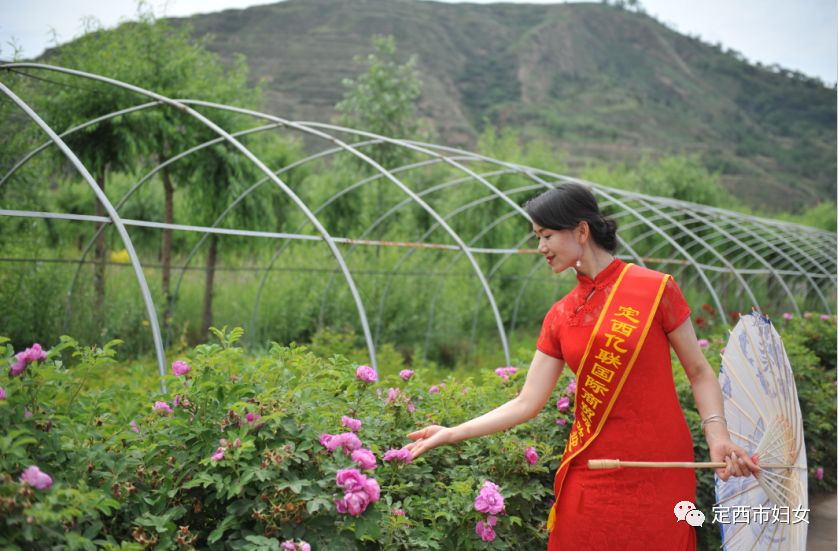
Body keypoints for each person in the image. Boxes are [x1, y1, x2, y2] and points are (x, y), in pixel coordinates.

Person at [405, 183, 759, 550]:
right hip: (591, 468)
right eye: (537, 237)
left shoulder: (655, 290)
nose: (540, 248)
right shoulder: (560, 315)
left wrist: (717, 437)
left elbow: (699, 373)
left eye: (546, 235)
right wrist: (451, 432)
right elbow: (526, 402)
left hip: (660, 466)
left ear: (581, 231)